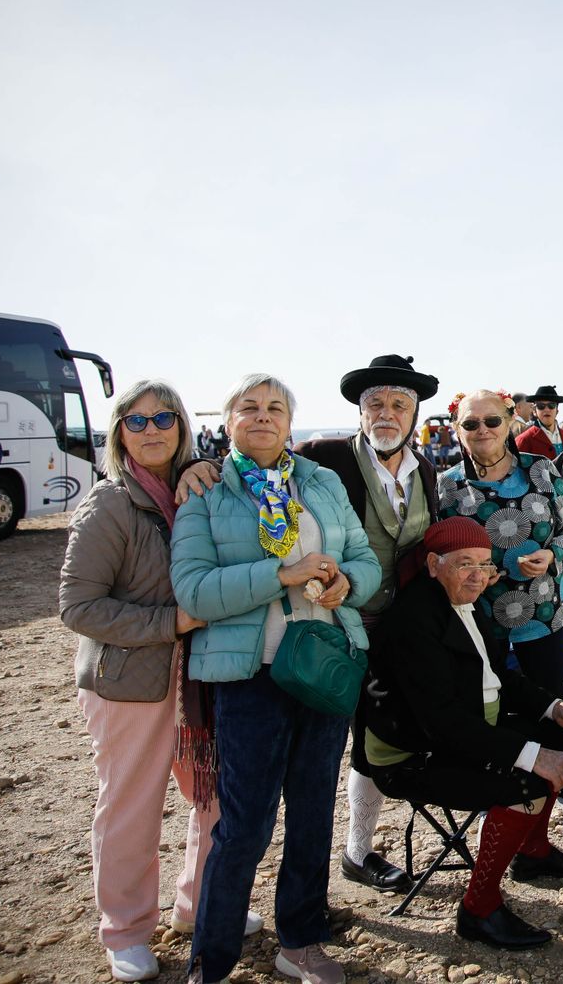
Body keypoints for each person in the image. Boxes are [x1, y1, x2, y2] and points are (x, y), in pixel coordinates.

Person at [171, 373, 380, 984]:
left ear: (290, 423)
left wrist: (346, 583)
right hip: (250, 675)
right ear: (229, 420)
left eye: (275, 408)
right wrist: (281, 575)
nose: (263, 416)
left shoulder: (321, 482)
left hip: (323, 667)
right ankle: (211, 960)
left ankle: (301, 942)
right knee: (244, 824)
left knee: (313, 813)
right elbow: (194, 591)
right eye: (249, 407)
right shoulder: (205, 492)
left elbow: (364, 559)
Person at [60, 380, 256, 982]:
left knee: (213, 795)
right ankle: (125, 929)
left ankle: (199, 905)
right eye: (137, 421)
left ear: (182, 427)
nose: (152, 430)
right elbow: (77, 607)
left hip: (199, 674)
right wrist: (170, 623)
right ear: (119, 431)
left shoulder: (196, 487)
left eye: (164, 418)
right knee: (132, 805)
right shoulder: (108, 504)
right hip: (129, 681)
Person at [357, 517, 563, 950]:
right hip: (413, 754)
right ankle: (479, 909)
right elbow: (442, 723)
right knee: (528, 781)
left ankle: (533, 853)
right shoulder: (415, 620)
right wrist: (530, 756)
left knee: (561, 735)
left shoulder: (467, 601)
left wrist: (556, 708)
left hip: (466, 727)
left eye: (485, 565)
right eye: (464, 563)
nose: (478, 575)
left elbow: (499, 674)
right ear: (434, 564)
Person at [436, 389, 563, 843]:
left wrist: (552, 555)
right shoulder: (446, 486)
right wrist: (471, 573)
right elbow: (438, 554)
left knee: (556, 710)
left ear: (510, 422)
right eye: (471, 424)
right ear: (457, 430)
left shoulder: (539, 470)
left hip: (543, 615)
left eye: (492, 421)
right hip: (480, 623)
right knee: (493, 715)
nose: (482, 431)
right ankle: (505, 811)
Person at [292, 354, 443, 895]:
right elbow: (257, 474)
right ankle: (312, 876)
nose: (386, 413)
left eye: (399, 404)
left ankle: (357, 852)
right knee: (319, 747)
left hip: (398, 628)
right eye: (374, 403)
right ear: (359, 412)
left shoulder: (426, 471)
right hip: (334, 623)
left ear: (414, 414)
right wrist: (201, 467)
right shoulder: (323, 456)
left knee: (374, 738)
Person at [515, 385, 563, 459]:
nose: (546, 409)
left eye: (551, 405)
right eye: (541, 406)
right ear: (534, 411)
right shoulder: (524, 440)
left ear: (557, 411)